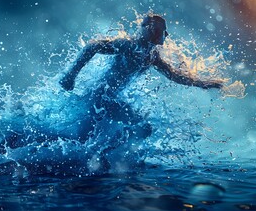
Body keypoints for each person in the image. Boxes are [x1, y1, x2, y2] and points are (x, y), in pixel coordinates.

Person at [59, 14, 224, 141]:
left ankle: (112, 160)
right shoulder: (127, 45)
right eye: (155, 29)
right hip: (99, 98)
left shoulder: (151, 57)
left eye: (161, 31)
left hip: (109, 100)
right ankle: (98, 160)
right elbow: (93, 46)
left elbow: (174, 75)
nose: (161, 34)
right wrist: (71, 75)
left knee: (143, 129)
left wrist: (203, 84)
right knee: (88, 136)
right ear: (145, 28)